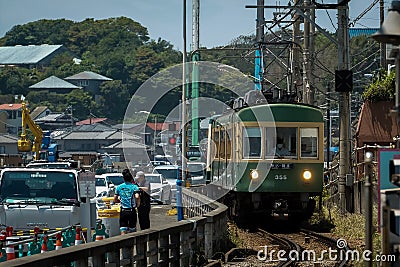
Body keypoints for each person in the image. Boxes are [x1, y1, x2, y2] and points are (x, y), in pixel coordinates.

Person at [113, 169, 140, 234]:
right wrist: (138, 204)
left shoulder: (119, 187)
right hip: (131, 210)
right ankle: (132, 243)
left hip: (123, 211)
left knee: (123, 228)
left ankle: (123, 242)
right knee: (132, 229)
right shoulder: (134, 187)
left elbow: (115, 199)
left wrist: (120, 201)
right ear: (131, 178)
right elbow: (137, 196)